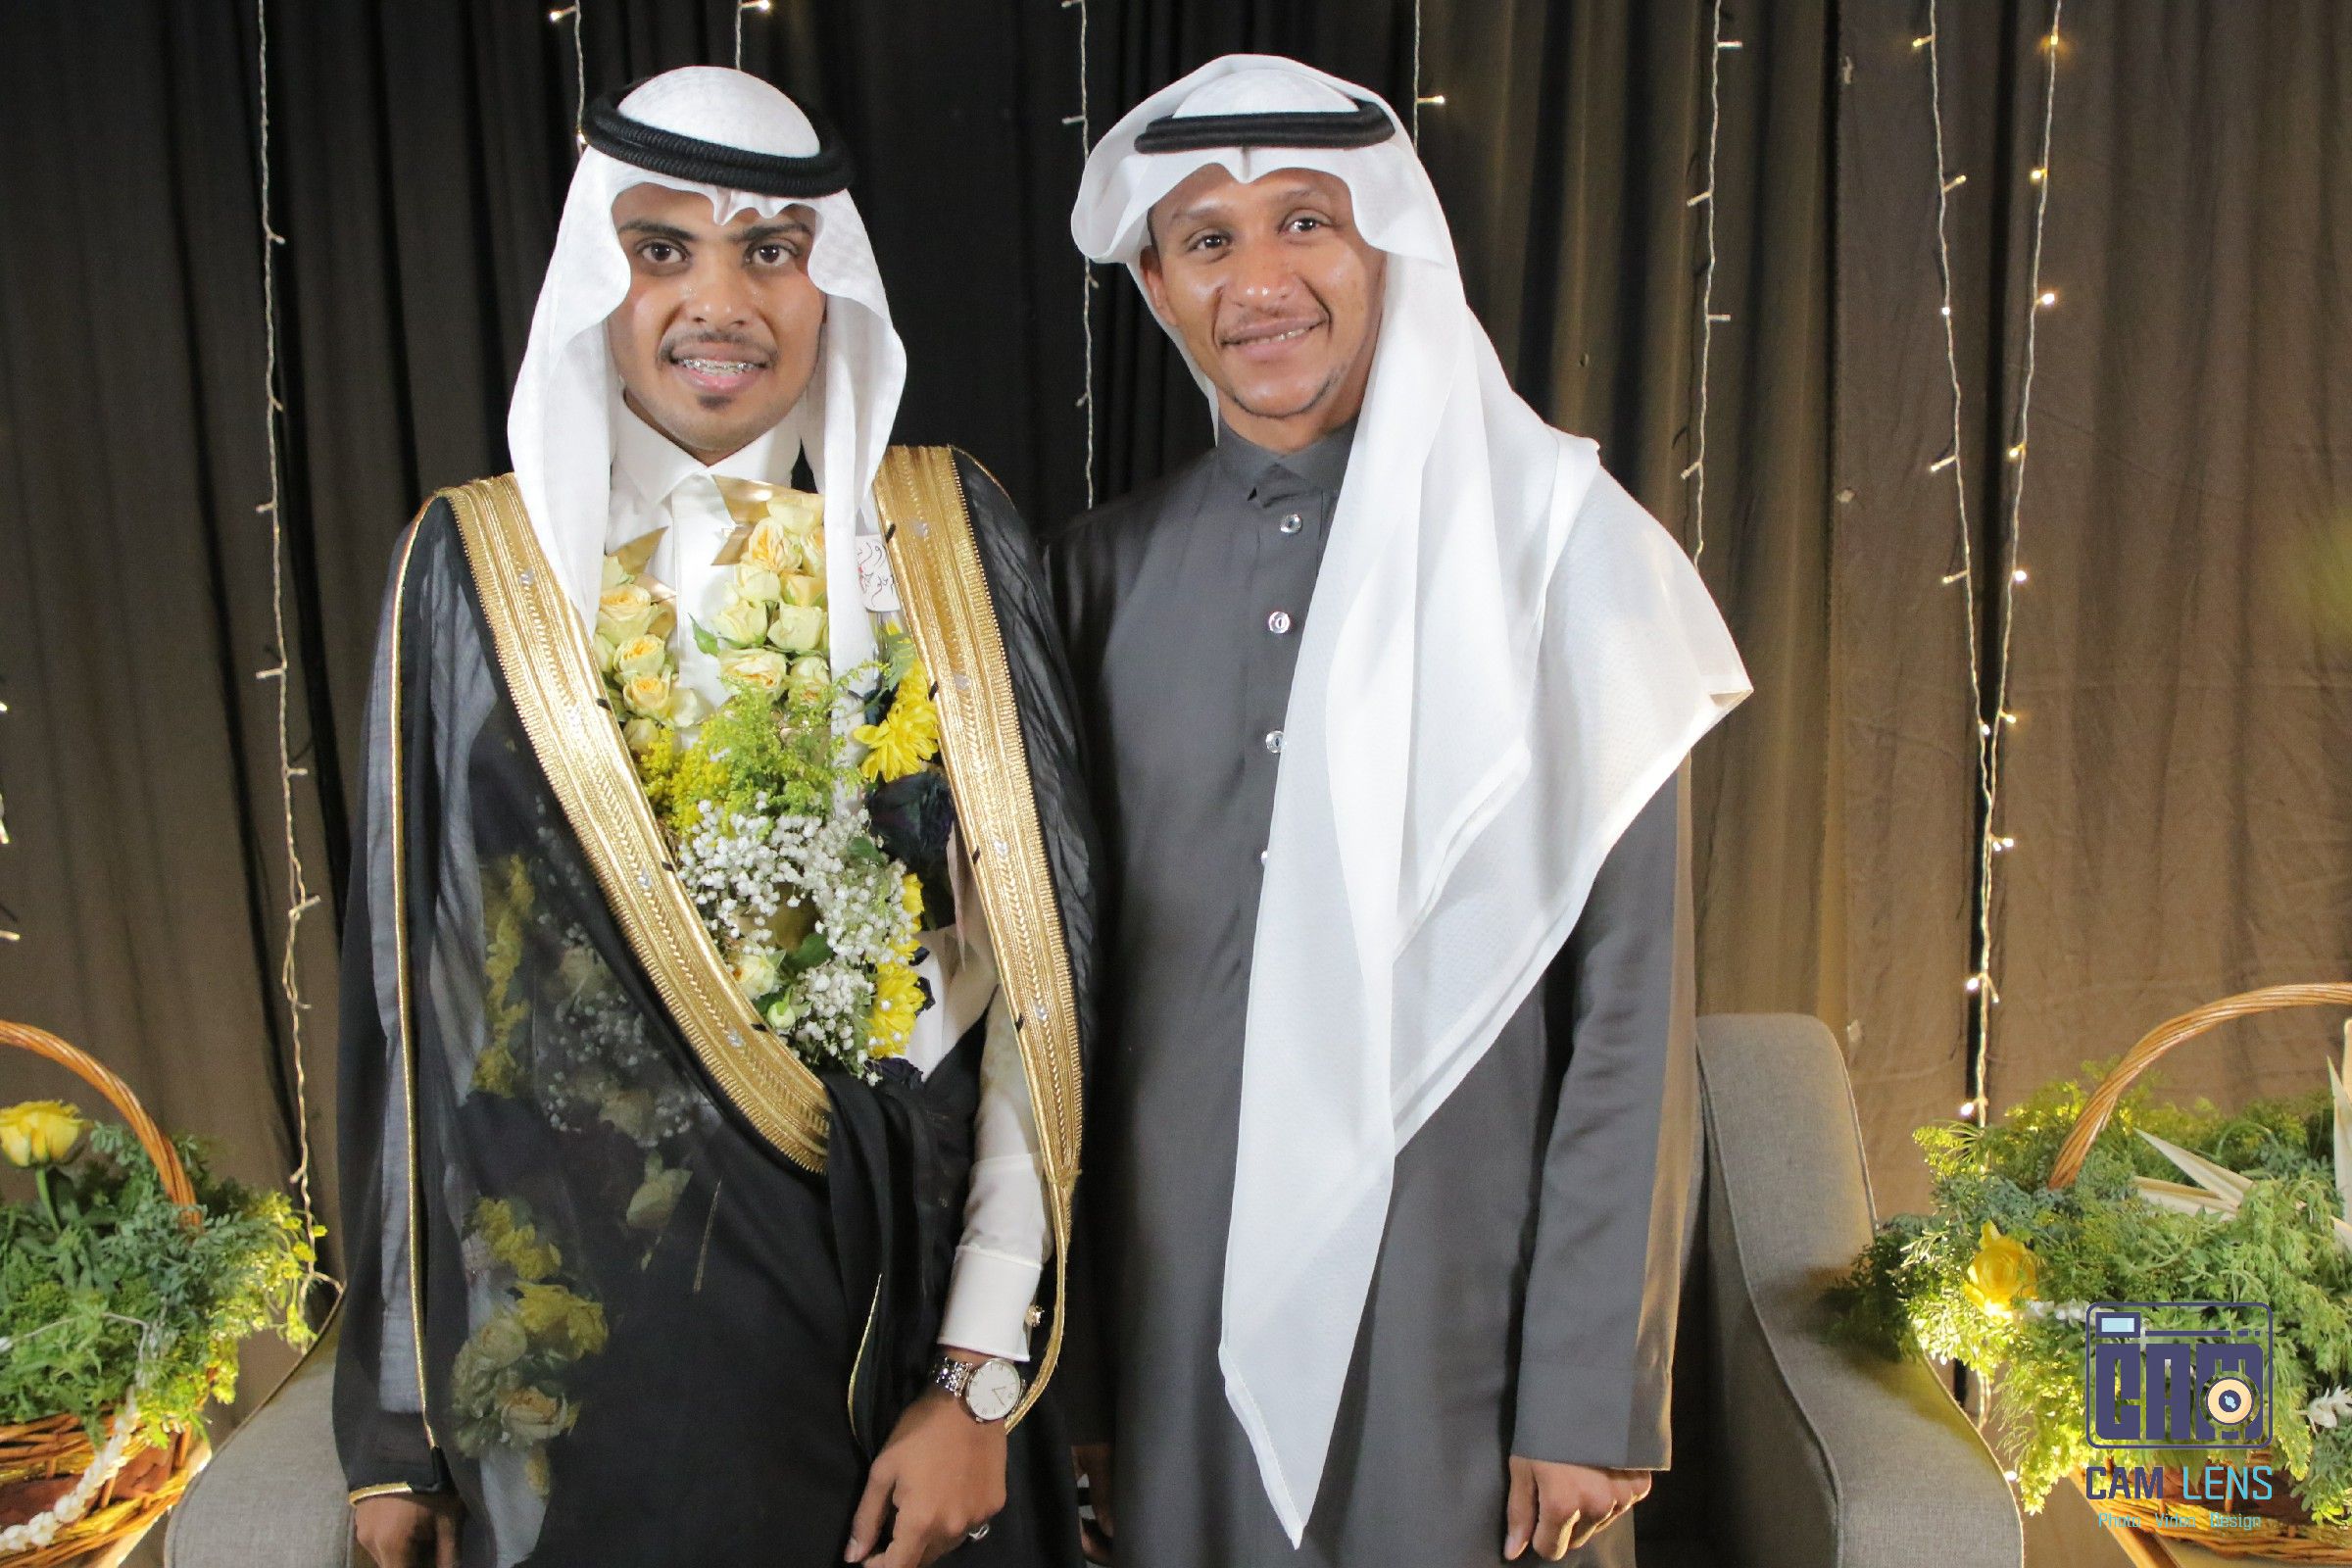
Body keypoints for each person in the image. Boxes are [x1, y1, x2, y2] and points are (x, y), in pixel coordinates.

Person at [332, 67, 1095, 1568]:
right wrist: (398, 1429)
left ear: (829, 280)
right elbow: (412, 1009)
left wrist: (976, 1376)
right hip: (594, 1373)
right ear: (593, 277)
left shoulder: (943, 539)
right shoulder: (474, 571)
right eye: (661, 248)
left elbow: (1037, 992)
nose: (720, 303)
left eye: (771, 250)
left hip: (901, 1326)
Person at [1051, 56, 1750, 1568]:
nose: (1261, 282)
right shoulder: (1094, 577)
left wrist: (1587, 1388)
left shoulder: (1561, 551)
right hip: (1172, 1327)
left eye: (1306, 221)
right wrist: (1080, 1381)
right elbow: (1066, 1019)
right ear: (1159, 286)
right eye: (1209, 238)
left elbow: (1631, 1007)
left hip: (1464, 1329)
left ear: (1390, 245)